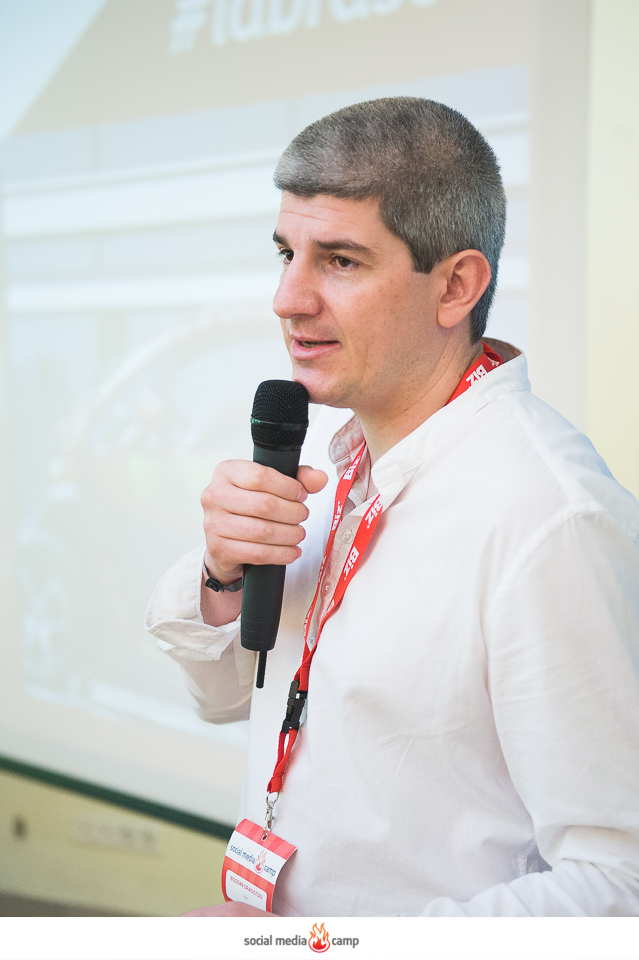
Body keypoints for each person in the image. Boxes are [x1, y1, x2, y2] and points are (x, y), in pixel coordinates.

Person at [146, 98, 639, 916]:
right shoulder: (324, 459)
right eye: (286, 253)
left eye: (339, 261)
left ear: (455, 286)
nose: (287, 298)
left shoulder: (548, 518)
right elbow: (226, 697)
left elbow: (619, 887)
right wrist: (220, 577)